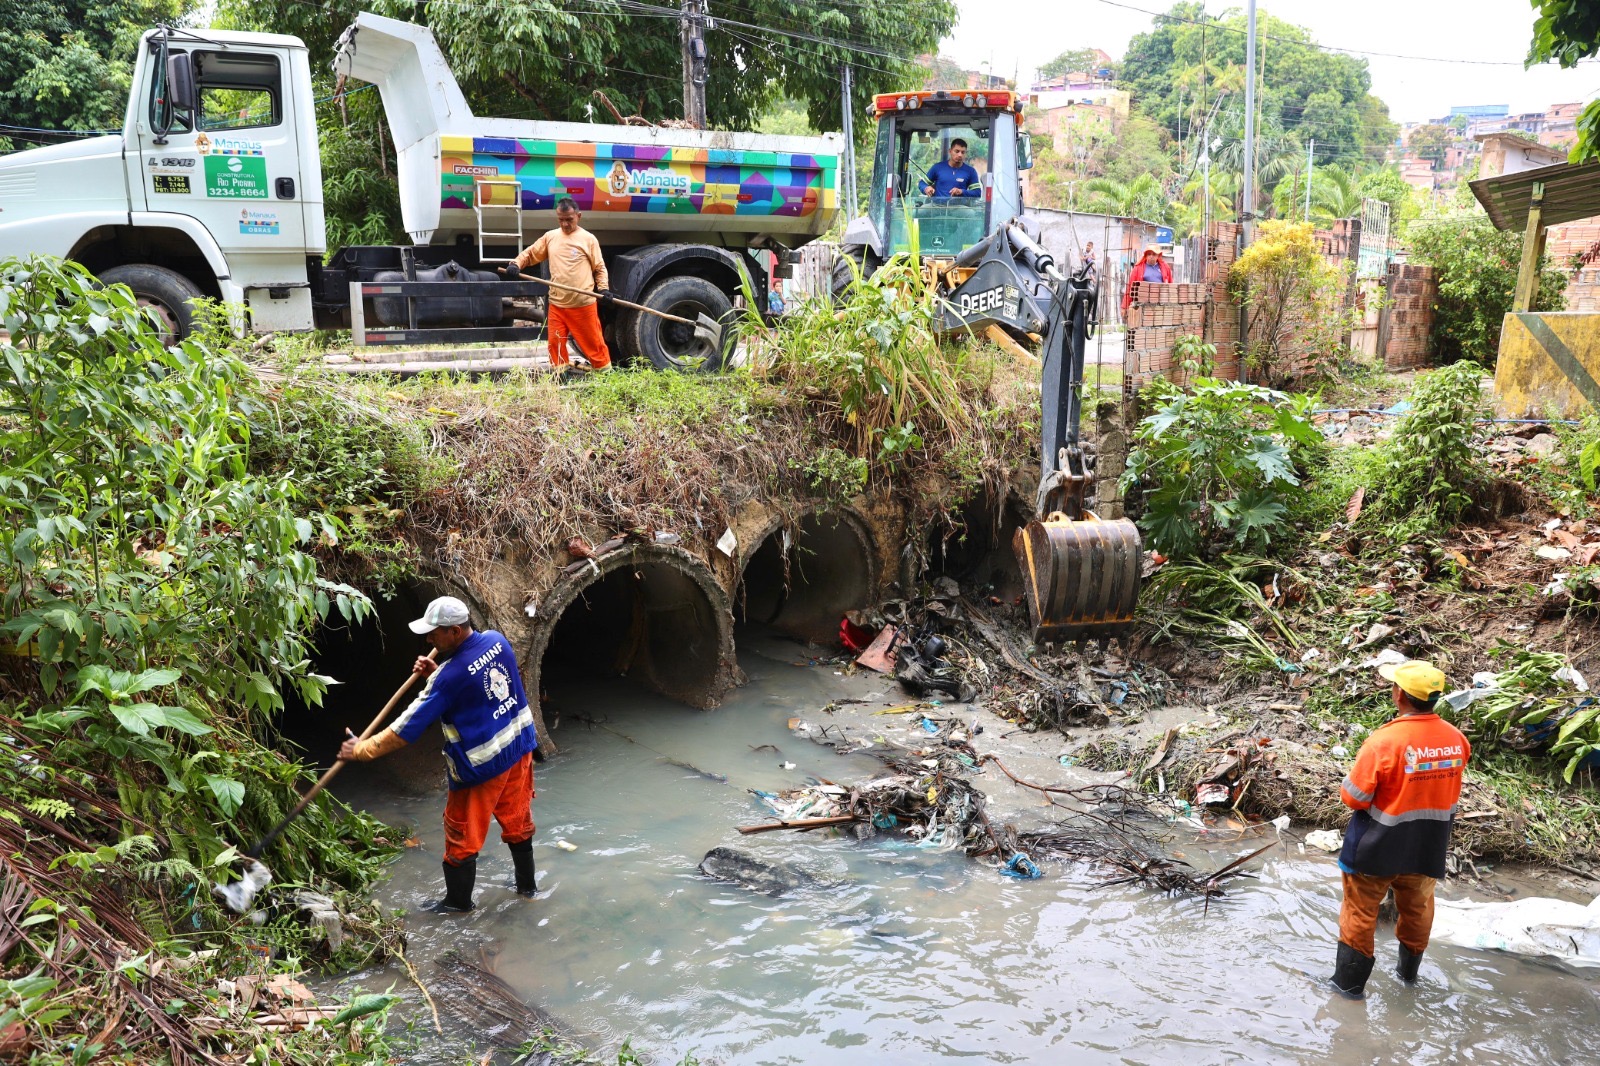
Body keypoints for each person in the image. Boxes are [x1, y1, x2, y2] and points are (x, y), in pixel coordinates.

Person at [339, 596, 540, 913]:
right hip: (518, 751)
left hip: (481, 768)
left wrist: (360, 749)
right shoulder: (497, 641)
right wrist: (437, 672)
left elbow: (406, 729)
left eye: (435, 632)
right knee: (518, 823)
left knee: (462, 839)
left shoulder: (448, 678)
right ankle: (528, 890)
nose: (429, 639)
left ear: (456, 632)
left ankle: (457, 907)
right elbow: (476, 684)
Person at [1328, 659, 1469, 999]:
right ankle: (1408, 979)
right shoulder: (1456, 739)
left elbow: (1354, 797)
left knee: (1359, 912)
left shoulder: (1385, 741)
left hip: (1378, 847)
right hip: (1427, 847)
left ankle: (1348, 989)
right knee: (1417, 909)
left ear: (1399, 695)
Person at [505, 197, 612, 375]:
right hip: (557, 305)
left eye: (569, 219)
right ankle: (559, 376)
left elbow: (599, 268)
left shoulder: (588, 239)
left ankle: (606, 375)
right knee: (555, 343)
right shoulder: (551, 237)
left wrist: (604, 289)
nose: (565, 224)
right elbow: (531, 253)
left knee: (594, 343)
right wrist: (516, 264)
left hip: (582, 304)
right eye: (561, 220)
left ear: (578, 216)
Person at [1120, 246, 1172, 313]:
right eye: (1149, 254)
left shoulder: (1165, 267)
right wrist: (1124, 307)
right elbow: (1130, 287)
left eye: (1154, 254)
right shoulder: (1138, 268)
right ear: (1146, 255)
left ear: (1158, 255)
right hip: (1143, 304)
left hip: (1160, 303)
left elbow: (1170, 285)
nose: (1151, 256)